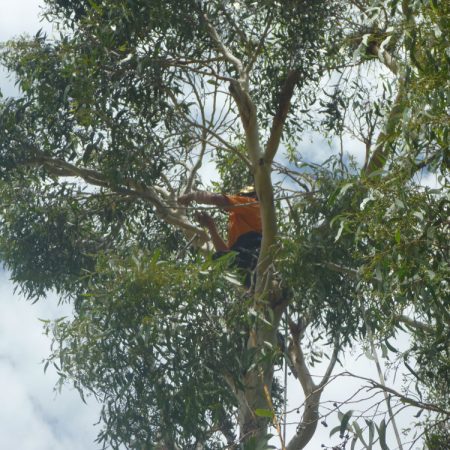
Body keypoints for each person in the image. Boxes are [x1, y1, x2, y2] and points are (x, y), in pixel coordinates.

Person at [178, 186, 262, 284]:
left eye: (241, 197)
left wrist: (192, 196)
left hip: (253, 251)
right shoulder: (235, 222)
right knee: (219, 257)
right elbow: (226, 253)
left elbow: (217, 199)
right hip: (245, 263)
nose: (239, 199)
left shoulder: (253, 204)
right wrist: (211, 226)